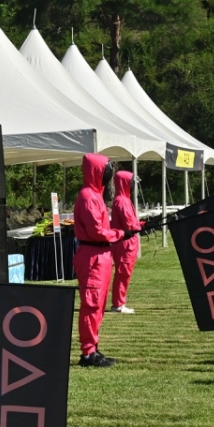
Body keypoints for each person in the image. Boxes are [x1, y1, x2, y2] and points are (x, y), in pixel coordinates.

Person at [73, 154, 141, 367]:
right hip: (92, 255)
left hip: (101, 254)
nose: (109, 174)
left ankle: (93, 348)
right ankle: (87, 354)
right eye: (106, 169)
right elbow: (97, 231)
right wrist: (120, 233)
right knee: (92, 304)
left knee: (99, 305)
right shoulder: (88, 196)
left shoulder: (95, 195)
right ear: (96, 171)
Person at [108, 169, 142, 314]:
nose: (133, 186)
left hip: (128, 242)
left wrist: (143, 224)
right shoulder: (122, 201)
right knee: (123, 273)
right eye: (131, 182)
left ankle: (119, 303)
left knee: (124, 273)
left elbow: (132, 223)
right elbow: (129, 224)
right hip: (125, 243)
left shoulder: (125, 199)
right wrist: (139, 227)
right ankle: (118, 304)